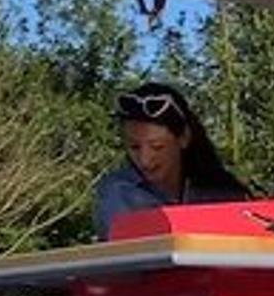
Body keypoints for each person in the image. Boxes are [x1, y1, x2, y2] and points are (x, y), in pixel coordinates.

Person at [92, 83, 248, 237]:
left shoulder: (220, 190)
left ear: (184, 138)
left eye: (157, 147)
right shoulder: (118, 192)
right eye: (134, 147)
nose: (144, 160)